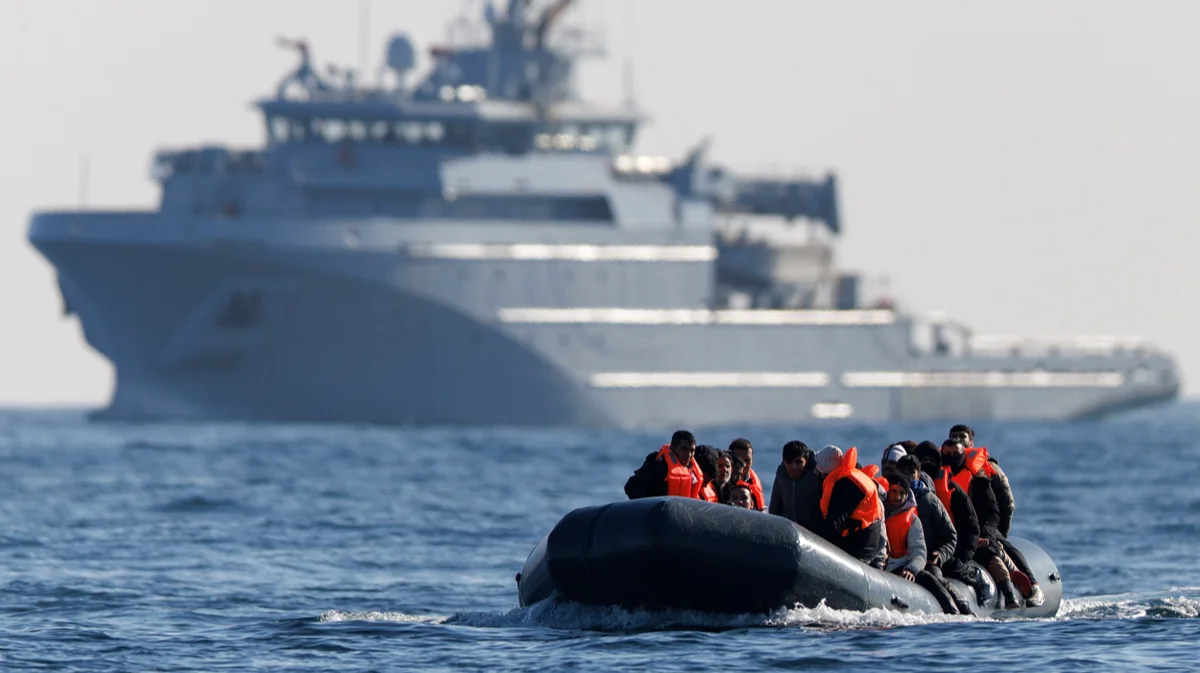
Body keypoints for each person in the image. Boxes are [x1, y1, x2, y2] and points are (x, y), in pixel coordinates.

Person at [948, 424, 1044, 607]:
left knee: (999, 544)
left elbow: (1007, 502)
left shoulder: (988, 468)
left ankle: (1033, 586)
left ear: (971, 442)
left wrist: (999, 532)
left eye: (962, 436)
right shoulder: (945, 469)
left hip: (988, 522)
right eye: (954, 436)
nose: (958, 439)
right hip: (961, 525)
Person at [941, 438, 1021, 609]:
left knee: (990, 553)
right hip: (947, 536)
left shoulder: (978, 481)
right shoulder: (935, 480)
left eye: (956, 454)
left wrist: (985, 535)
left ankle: (1009, 594)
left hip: (976, 534)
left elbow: (993, 513)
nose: (952, 458)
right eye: (947, 454)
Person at [813, 445, 886, 568]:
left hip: (860, 547)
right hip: (862, 539)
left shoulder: (848, 485)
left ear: (824, 471)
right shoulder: (849, 478)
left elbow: (834, 524)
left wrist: (813, 542)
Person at [623, 430, 703, 500]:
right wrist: (651, 506)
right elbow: (631, 486)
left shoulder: (693, 472)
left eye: (692, 451)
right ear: (673, 448)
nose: (689, 455)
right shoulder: (659, 465)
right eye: (684, 449)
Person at [768, 440, 822, 530]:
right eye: (789, 462)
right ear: (784, 461)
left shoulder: (817, 475)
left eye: (798, 462)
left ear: (806, 461)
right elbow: (774, 510)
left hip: (814, 533)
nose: (794, 467)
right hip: (788, 531)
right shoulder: (781, 476)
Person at [728, 438, 765, 511]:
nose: (743, 464)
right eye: (739, 460)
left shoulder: (754, 483)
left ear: (752, 458)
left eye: (747, 460)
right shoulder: (720, 481)